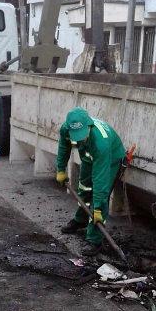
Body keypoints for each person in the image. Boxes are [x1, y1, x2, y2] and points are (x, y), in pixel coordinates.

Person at [56, 107, 125, 256]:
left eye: (82, 135)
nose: (80, 139)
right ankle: (80, 220)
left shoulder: (102, 142)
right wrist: (61, 169)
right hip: (88, 154)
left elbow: (101, 180)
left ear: (89, 126)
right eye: (77, 136)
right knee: (84, 188)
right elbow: (64, 146)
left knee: (100, 194)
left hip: (110, 158)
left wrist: (98, 208)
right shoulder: (66, 129)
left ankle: (95, 240)